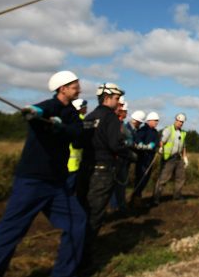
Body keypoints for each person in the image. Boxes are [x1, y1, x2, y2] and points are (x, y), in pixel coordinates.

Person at [0, 71, 85, 277]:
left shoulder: (71, 113)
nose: (78, 89)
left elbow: (78, 135)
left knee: (77, 222)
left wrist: (60, 127)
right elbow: (35, 112)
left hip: (57, 184)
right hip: (32, 180)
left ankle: (64, 273)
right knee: (11, 230)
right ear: (63, 88)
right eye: (74, 85)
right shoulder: (48, 106)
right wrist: (33, 112)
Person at [75, 83, 132, 267]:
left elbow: (79, 143)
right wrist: (130, 154)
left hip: (85, 169)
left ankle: (74, 249)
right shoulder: (111, 118)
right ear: (107, 97)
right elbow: (115, 145)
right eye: (116, 99)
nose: (118, 103)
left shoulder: (90, 117)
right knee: (95, 213)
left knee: (83, 210)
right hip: (102, 170)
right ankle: (84, 258)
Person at [153, 113, 189, 205]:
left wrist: (185, 157)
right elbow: (162, 141)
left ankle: (177, 196)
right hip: (168, 158)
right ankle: (156, 198)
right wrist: (161, 147)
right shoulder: (168, 130)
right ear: (175, 120)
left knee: (180, 178)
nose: (180, 123)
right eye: (179, 121)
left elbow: (184, 146)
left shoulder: (183, 133)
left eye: (182, 122)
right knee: (163, 178)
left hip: (178, 158)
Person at [132, 111, 160, 204]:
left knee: (146, 179)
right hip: (142, 158)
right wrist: (143, 145)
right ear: (149, 120)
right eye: (155, 120)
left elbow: (156, 142)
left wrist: (157, 147)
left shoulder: (155, 132)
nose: (156, 123)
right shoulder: (143, 130)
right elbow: (138, 139)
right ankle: (135, 198)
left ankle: (138, 197)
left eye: (157, 121)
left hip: (150, 159)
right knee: (140, 178)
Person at [66, 98, 87, 192]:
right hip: (73, 163)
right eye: (84, 107)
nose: (86, 108)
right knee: (70, 188)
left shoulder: (74, 120)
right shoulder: (79, 121)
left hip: (75, 161)